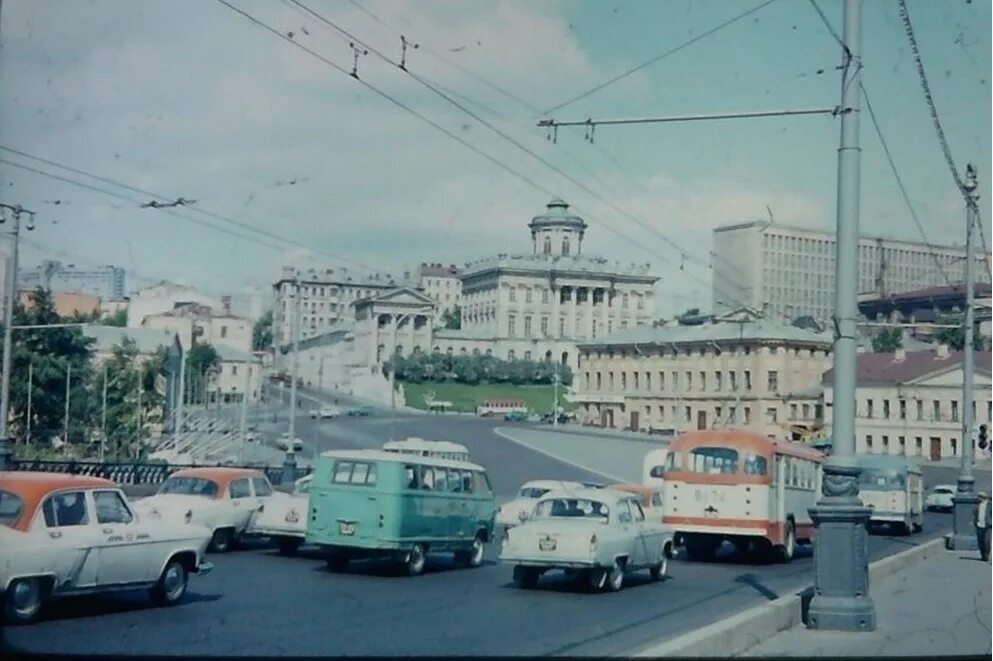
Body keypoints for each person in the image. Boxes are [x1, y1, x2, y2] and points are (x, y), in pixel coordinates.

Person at [975, 492, 992, 562]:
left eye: (979, 497)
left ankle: (986, 555)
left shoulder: (990, 505)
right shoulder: (977, 506)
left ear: (983, 498)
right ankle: (983, 555)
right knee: (980, 541)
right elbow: (975, 514)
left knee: (986, 541)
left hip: (988, 526)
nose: (978, 499)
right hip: (979, 525)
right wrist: (975, 522)